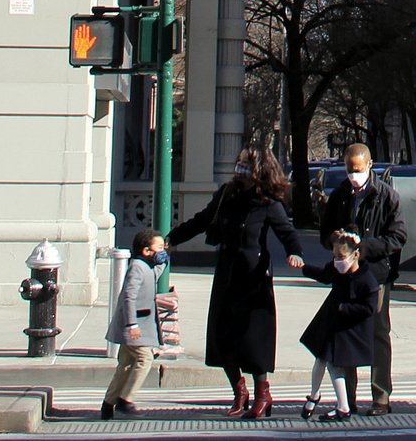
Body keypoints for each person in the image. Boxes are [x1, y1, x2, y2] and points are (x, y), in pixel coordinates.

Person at [166, 147, 305, 418]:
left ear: (259, 169)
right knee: (223, 335)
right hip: (228, 271)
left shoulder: (267, 201)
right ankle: (239, 391)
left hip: (254, 276)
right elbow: (202, 220)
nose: (239, 167)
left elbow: (286, 231)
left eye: (245, 163)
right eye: (239, 161)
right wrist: (171, 238)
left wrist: (295, 252)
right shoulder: (227, 193)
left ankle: (263, 394)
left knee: (253, 338)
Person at [318, 143, 407, 414]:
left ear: (369, 165)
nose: (353, 175)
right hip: (346, 274)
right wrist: (336, 239)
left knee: (378, 332)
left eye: (357, 170)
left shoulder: (387, 196)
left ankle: (381, 397)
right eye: (348, 169)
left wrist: (364, 246)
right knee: (345, 332)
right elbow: (323, 233)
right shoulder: (340, 195)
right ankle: (349, 398)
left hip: (375, 274)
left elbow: (398, 237)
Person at [296, 232, 382, 421]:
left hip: (349, 328)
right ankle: (318, 398)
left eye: (341, 257)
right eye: (335, 257)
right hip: (332, 322)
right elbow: (324, 275)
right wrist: (304, 268)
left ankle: (336, 404)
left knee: (332, 363)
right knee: (322, 358)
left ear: (355, 255)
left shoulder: (367, 279)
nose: (337, 262)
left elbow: (369, 308)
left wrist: (344, 307)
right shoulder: (337, 269)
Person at [102, 228, 166, 420]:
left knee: (126, 366)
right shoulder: (137, 267)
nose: (163, 250)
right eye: (160, 247)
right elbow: (129, 296)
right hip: (134, 327)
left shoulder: (145, 267)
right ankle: (126, 400)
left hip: (140, 326)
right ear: (147, 251)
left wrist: (163, 262)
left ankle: (108, 403)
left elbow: (153, 275)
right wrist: (131, 324)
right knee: (145, 359)